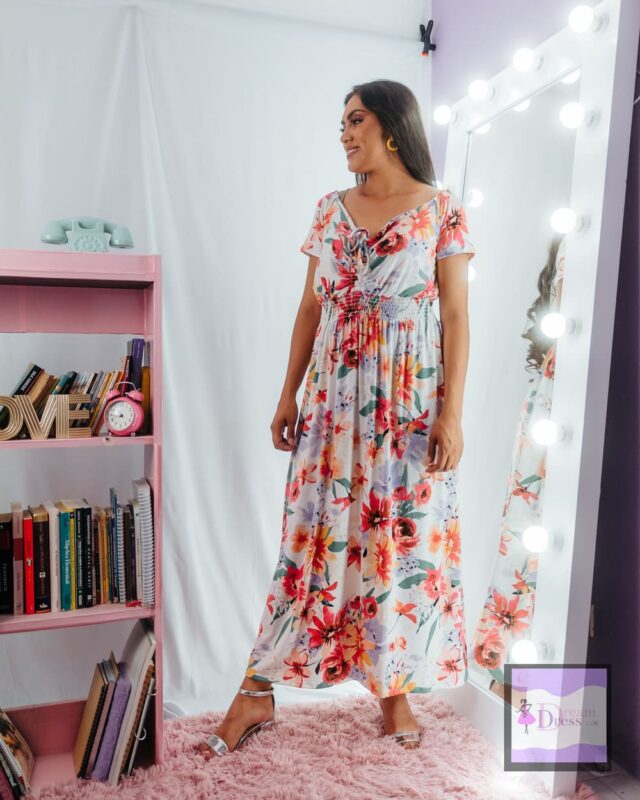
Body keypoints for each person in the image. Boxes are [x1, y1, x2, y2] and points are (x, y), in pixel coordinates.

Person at [197, 79, 476, 759]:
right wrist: (286, 395)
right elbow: (309, 309)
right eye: (342, 123)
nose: (344, 133)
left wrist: (453, 414)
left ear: (392, 127)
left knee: (396, 543)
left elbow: (456, 315)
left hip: (407, 404)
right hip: (332, 402)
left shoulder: (442, 210)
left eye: (355, 120)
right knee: (310, 541)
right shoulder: (330, 210)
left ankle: (393, 688)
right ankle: (256, 689)